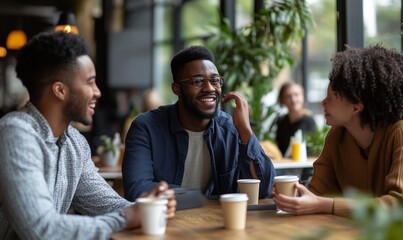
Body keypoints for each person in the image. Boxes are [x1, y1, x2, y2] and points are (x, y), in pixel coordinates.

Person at [0, 31, 176, 240]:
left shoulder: (75, 143)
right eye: (90, 82)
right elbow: (40, 229)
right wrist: (127, 217)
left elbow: (105, 204)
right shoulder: (15, 133)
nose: (98, 92)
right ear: (60, 90)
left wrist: (148, 206)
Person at [272, 45, 403, 227]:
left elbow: (402, 210)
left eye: (330, 98)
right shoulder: (337, 136)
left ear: (356, 107)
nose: (323, 103)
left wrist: (327, 205)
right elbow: (319, 193)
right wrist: (296, 198)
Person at [122, 45, 276, 201]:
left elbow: (264, 189)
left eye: (215, 80)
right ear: (177, 89)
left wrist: (245, 130)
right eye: (198, 81)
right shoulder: (146, 128)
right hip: (163, 222)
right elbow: (138, 190)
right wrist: (199, 198)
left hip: (215, 223)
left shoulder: (229, 129)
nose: (209, 88)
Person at [275, 82, 317, 156]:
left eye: (296, 95)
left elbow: (312, 151)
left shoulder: (309, 122)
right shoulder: (281, 122)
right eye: (288, 96)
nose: (293, 99)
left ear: (303, 97)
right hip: (284, 165)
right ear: (282, 100)